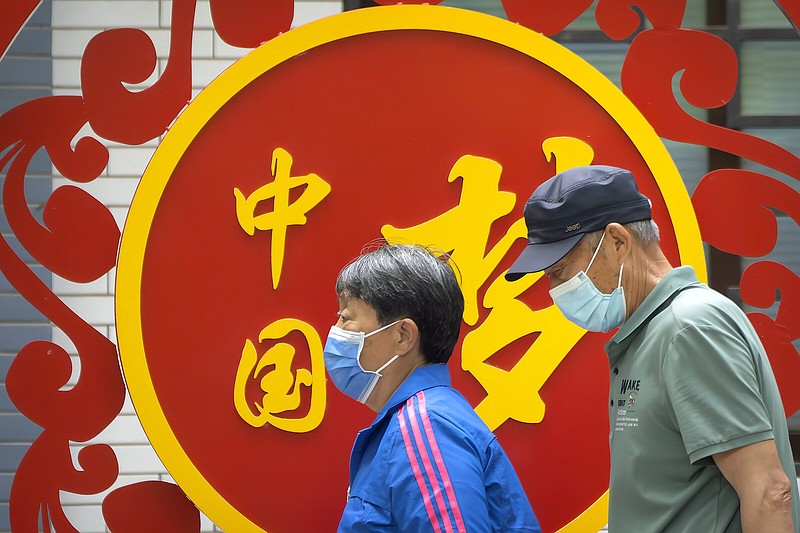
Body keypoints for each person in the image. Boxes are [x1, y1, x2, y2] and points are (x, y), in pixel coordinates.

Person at [505, 164, 799, 532]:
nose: (554, 287)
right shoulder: (651, 330)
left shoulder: (689, 328)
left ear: (617, 242)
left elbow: (768, 493)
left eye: (560, 270)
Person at [324, 243, 541, 532]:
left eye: (346, 318)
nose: (336, 330)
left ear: (403, 336)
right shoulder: (423, 419)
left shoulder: (424, 426)